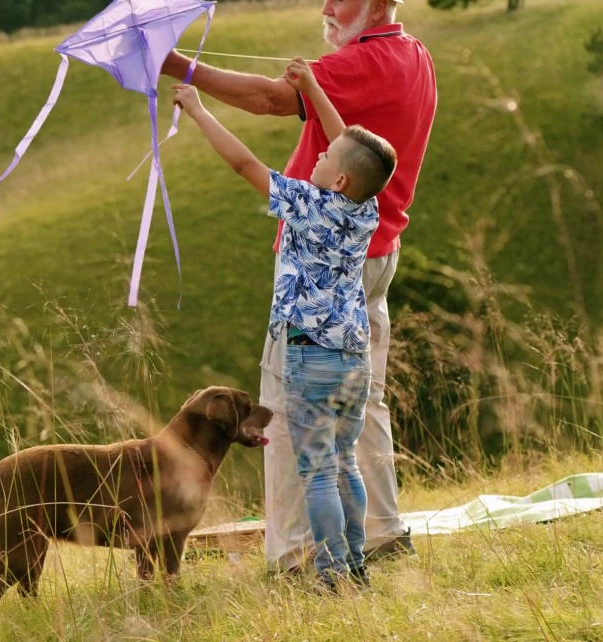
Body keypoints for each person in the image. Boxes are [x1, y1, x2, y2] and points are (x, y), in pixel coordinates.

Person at [162, 0, 437, 574]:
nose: (327, 5)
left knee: (285, 415)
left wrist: (176, 67)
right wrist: (315, 85)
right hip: (377, 255)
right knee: (363, 404)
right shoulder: (414, 55)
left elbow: (262, 113)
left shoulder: (358, 75)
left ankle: (296, 555)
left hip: (316, 297)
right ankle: (382, 535)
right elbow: (343, 132)